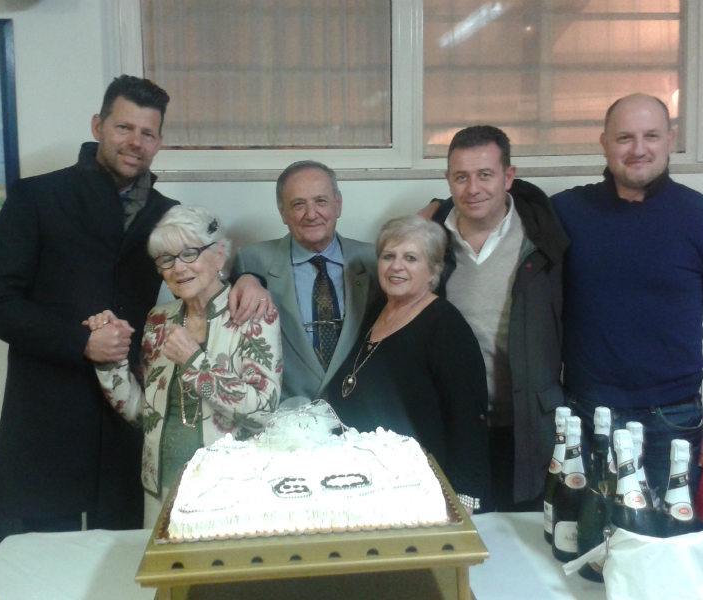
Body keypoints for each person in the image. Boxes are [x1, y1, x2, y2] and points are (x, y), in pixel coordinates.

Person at [0, 75, 271, 532]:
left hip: (131, 417)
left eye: (147, 133)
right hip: (47, 411)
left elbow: (207, 265)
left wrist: (252, 277)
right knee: (45, 550)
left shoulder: (167, 211)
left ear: (159, 143)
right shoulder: (36, 197)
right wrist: (80, 342)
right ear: (98, 126)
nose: (135, 142)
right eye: (124, 128)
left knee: (125, 551)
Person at [550, 93, 703, 501]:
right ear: (604, 143)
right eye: (625, 138)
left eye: (651, 136)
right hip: (585, 416)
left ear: (670, 140)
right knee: (582, 535)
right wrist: (437, 210)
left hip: (671, 422)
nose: (638, 149)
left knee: (665, 537)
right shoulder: (566, 212)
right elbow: (495, 209)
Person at [85, 207, 281, 526]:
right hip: (160, 486)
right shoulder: (158, 319)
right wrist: (110, 359)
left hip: (230, 488)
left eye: (189, 253)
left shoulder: (253, 314)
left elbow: (262, 413)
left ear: (219, 255)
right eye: (166, 259)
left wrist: (194, 362)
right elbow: (142, 414)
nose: (178, 268)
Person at [419, 126, 570, 512]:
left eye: (485, 175)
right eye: (461, 177)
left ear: (508, 176)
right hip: (456, 428)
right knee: (464, 532)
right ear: (448, 180)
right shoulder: (427, 243)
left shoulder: (546, 239)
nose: (473, 189)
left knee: (528, 535)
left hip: (530, 427)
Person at [326, 216, 489, 512]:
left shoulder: (446, 324)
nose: (396, 266)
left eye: (411, 258)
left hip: (417, 485)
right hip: (363, 479)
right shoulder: (377, 309)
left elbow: (467, 416)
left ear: (433, 271)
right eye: (388, 256)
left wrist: (462, 497)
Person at [232, 160, 380, 401]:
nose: (311, 215)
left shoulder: (375, 261)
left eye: (321, 201)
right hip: (286, 414)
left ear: (338, 205)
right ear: (283, 213)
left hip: (359, 410)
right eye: (298, 204)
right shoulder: (251, 262)